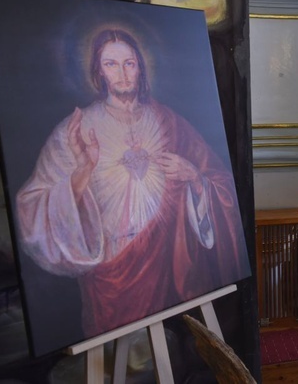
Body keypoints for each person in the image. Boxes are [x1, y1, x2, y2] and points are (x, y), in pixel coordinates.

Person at [16, 28, 249, 337]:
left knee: (168, 339)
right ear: (98, 70)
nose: (123, 73)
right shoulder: (75, 129)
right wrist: (82, 170)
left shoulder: (170, 122)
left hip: (164, 266)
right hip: (110, 273)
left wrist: (194, 176)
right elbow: (31, 209)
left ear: (141, 66)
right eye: (111, 64)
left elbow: (221, 186)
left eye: (129, 63)